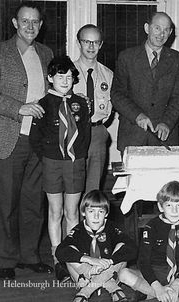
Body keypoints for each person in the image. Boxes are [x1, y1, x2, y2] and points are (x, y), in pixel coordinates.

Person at [0, 1, 53, 280]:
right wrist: (19, 108)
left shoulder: (46, 53)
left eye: (35, 22)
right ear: (14, 23)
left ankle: (30, 257)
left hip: (38, 141)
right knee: (8, 203)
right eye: (25, 21)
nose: (30, 26)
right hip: (7, 139)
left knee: (33, 202)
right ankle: (6, 260)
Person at [29, 55, 91, 281]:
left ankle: (73, 255)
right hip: (52, 163)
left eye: (69, 76)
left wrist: (77, 158)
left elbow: (85, 134)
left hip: (74, 163)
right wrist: (50, 157)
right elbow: (35, 139)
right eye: (59, 76)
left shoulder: (81, 103)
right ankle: (58, 259)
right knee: (55, 212)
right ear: (50, 78)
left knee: (72, 212)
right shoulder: (43, 104)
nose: (65, 80)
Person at [118, 181, 179, 302]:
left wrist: (177, 284)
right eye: (169, 205)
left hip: (178, 275)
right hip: (154, 274)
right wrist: (156, 286)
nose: (174, 210)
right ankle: (167, 294)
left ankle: (150, 293)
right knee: (123, 274)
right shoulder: (151, 227)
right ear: (161, 207)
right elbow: (143, 260)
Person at [111, 11, 179, 153]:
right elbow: (117, 94)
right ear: (147, 28)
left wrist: (167, 123)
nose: (161, 34)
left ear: (170, 33)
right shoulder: (126, 57)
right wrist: (137, 115)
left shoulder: (178, 60)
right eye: (157, 28)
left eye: (166, 30)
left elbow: (178, 98)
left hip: (164, 137)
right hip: (132, 136)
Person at [56, 190, 137, 302]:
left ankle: (85, 292)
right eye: (91, 211)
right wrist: (89, 260)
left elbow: (132, 248)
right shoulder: (78, 230)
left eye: (100, 212)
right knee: (69, 251)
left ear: (106, 214)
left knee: (122, 246)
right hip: (85, 275)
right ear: (83, 212)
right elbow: (59, 251)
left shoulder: (112, 228)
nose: (96, 216)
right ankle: (113, 288)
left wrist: (110, 261)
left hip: (109, 271)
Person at [73, 24, 114, 193]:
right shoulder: (67, 71)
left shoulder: (108, 74)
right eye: (86, 42)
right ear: (79, 43)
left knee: (93, 186)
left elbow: (110, 107)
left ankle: (90, 219)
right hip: (73, 132)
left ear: (101, 44)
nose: (91, 47)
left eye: (95, 42)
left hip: (96, 132)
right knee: (72, 186)